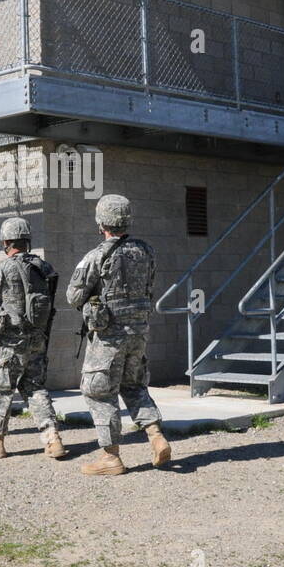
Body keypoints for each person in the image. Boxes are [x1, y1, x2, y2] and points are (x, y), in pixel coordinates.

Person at [67, 194, 169, 475]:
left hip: (109, 337)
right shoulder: (146, 251)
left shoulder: (97, 255)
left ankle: (110, 458)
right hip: (138, 333)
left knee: (99, 392)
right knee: (134, 385)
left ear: (101, 223)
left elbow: (73, 295)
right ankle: (156, 436)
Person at [0, 217, 66, 460]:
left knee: (1, 390)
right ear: (27, 240)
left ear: (6, 242)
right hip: (37, 340)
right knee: (35, 387)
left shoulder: (3, 268)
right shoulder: (44, 268)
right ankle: (52, 438)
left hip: (10, 343)